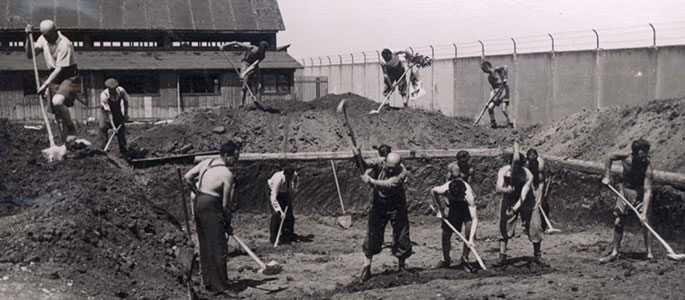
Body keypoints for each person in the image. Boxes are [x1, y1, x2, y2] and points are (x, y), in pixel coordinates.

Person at [183, 142, 240, 295]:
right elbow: (226, 204)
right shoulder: (227, 174)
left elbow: (187, 177)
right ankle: (222, 286)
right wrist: (227, 223)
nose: (236, 161)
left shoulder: (206, 162)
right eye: (235, 157)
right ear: (227, 156)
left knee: (205, 244)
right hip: (211, 206)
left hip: (199, 202)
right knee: (218, 246)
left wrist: (197, 192)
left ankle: (208, 282)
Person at [356, 151, 412, 283]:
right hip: (379, 205)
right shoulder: (379, 161)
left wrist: (370, 181)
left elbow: (389, 184)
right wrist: (358, 155)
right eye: (389, 167)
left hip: (396, 207)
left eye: (394, 168)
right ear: (385, 161)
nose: (391, 169)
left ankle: (402, 267)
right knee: (372, 235)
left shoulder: (402, 172)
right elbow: (364, 164)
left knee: (401, 235)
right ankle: (366, 267)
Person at [599, 139, 654, 263]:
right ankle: (614, 252)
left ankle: (649, 254)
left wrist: (643, 213)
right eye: (640, 157)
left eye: (645, 156)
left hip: (639, 193)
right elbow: (609, 156)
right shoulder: (626, 157)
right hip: (624, 191)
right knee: (618, 222)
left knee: (646, 223)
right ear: (634, 154)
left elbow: (647, 192)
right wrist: (607, 176)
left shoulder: (647, 167)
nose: (643, 159)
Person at [25, 20, 80, 143]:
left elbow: (60, 69)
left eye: (48, 36)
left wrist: (45, 85)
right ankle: (64, 143)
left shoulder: (65, 44)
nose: (46, 38)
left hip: (68, 75)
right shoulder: (43, 38)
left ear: (55, 31)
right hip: (53, 74)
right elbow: (30, 54)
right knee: (58, 114)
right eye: (44, 36)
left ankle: (71, 127)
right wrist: (28, 37)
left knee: (57, 102)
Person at [493, 147, 548, 267]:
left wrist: (514, 210)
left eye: (519, 166)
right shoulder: (504, 171)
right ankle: (502, 255)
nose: (516, 169)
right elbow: (498, 188)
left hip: (527, 199)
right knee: (504, 225)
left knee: (535, 225)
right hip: (509, 197)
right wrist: (506, 189)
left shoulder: (528, 175)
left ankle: (537, 254)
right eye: (514, 166)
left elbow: (523, 196)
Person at [430, 177, 478, 272]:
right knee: (446, 234)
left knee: (469, 228)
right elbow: (433, 191)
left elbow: (474, 219)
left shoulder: (469, 196)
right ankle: (446, 260)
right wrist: (440, 209)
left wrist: (471, 238)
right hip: (453, 206)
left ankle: (465, 259)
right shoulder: (443, 189)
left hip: (465, 207)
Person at [218, 41, 270, 106]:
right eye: (262, 50)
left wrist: (244, 73)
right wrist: (224, 45)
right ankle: (241, 104)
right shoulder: (252, 48)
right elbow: (236, 42)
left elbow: (253, 66)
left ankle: (258, 102)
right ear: (260, 48)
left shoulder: (262, 56)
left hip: (254, 66)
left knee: (259, 85)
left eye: (265, 50)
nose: (263, 52)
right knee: (244, 84)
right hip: (245, 63)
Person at [267, 165, 300, 245]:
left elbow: (296, 180)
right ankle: (274, 239)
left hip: (285, 192)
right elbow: (273, 197)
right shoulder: (278, 179)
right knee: (276, 215)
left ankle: (288, 236)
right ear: (285, 174)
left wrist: (294, 190)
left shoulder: (294, 174)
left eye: (290, 176)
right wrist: (280, 211)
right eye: (288, 176)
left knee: (289, 215)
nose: (289, 178)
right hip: (272, 191)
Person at [98, 78, 130, 155]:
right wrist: (113, 127)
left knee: (121, 131)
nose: (113, 91)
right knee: (102, 127)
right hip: (106, 113)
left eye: (114, 89)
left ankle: (123, 151)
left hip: (117, 111)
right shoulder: (104, 95)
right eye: (111, 89)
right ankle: (103, 150)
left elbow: (126, 101)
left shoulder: (121, 91)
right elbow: (109, 113)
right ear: (108, 88)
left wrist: (125, 114)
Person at [481, 61, 513, 129]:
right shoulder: (489, 78)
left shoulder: (496, 70)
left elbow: (505, 66)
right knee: (490, 107)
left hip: (504, 90)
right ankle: (493, 123)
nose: (484, 72)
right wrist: (489, 101)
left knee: (504, 109)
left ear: (486, 67)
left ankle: (511, 122)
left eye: (483, 70)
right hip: (497, 93)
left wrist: (505, 78)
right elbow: (491, 90)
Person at [525, 149, 549, 229]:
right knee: (529, 203)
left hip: (540, 183)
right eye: (531, 160)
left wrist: (539, 195)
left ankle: (540, 225)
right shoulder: (526, 164)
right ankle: (528, 224)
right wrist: (532, 189)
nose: (533, 162)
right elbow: (527, 179)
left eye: (534, 159)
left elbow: (542, 181)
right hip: (530, 183)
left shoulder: (540, 165)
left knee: (539, 203)